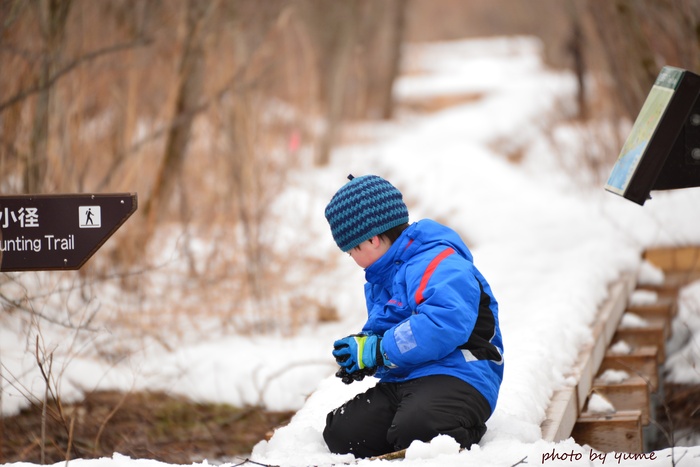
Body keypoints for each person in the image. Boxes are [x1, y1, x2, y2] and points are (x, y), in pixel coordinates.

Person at [322, 174, 504, 458]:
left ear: (371, 240)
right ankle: (409, 434)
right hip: (407, 378)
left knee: (418, 428)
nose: (352, 259)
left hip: (460, 374)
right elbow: (387, 333)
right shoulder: (382, 276)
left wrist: (378, 350)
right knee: (342, 433)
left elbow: (443, 323)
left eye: (350, 251)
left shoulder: (439, 262)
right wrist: (363, 355)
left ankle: (463, 436)